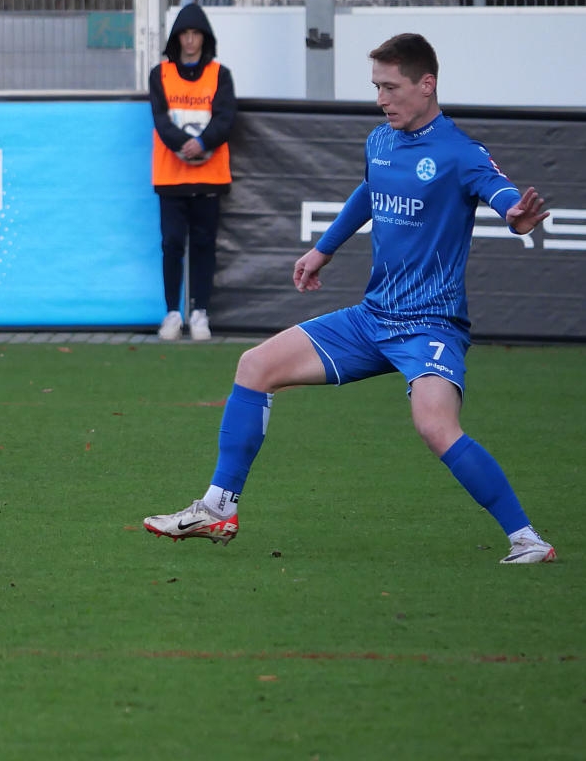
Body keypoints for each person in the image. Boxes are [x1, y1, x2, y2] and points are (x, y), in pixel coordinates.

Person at [143, 33, 556, 565]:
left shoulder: (460, 152)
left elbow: (502, 195)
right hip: (372, 318)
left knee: (435, 425)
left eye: (391, 87)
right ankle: (218, 507)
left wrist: (515, 216)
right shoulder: (380, 140)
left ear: (426, 85)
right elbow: (368, 192)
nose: (381, 99)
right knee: (254, 366)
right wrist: (323, 249)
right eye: (376, 87)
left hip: (430, 325)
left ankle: (527, 539)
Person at [149, 3, 236, 342]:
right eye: (184, 34)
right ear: (176, 38)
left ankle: (200, 312)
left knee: (203, 245)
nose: (189, 40)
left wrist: (202, 143)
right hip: (170, 177)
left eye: (195, 34)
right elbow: (160, 119)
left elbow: (226, 119)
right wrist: (184, 145)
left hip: (209, 177)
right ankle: (173, 312)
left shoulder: (220, 74)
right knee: (171, 244)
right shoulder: (160, 74)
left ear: (204, 38)